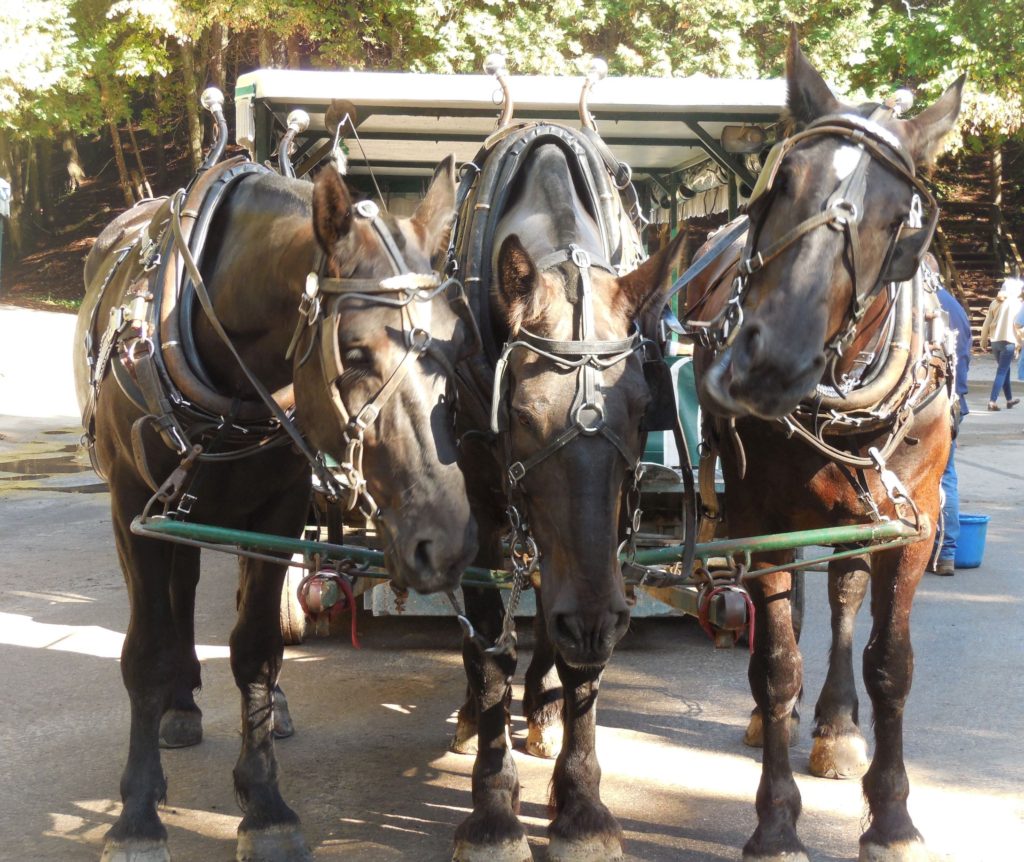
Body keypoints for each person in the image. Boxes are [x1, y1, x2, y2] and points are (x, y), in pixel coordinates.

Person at [931, 280, 971, 576]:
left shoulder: (924, 302)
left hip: (931, 403)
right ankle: (947, 552)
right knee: (947, 476)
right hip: (953, 401)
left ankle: (934, 548)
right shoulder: (956, 305)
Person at [979, 276, 1023, 410]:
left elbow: (987, 322)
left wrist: (983, 339)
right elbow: (1018, 325)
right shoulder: (1017, 304)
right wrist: (1020, 344)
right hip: (1008, 341)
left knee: (1005, 370)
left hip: (995, 341)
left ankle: (1009, 400)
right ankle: (992, 401)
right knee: (1002, 371)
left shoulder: (995, 302)